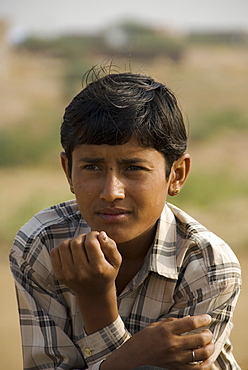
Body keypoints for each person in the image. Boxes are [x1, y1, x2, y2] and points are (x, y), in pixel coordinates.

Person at [10, 68, 241, 370]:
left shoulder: (206, 265)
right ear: (68, 171)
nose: (111, 192)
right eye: (92, 167)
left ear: (177, 175)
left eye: (133, 168)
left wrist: (98, 306)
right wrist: (128, 350)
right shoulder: (42, 245)